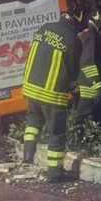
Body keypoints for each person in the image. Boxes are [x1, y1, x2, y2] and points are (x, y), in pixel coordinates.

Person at [21, 9, 84, 182]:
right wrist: (76, 89)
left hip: (31, 88)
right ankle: (55, 174)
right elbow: (72, 70)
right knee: (56, 133)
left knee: (33, 122)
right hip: (51, 94)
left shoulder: (44, 29)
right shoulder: (72, 40)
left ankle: (27, 156)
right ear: (74, 23)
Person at [71, 11, 101, 133]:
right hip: (88, 75)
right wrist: (96, 82)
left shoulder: (85, 33)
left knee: (85, 103)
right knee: (94, 98)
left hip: (82, 76)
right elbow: (88, 60)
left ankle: (76, 129)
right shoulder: (91, 35)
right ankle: (75, 129)